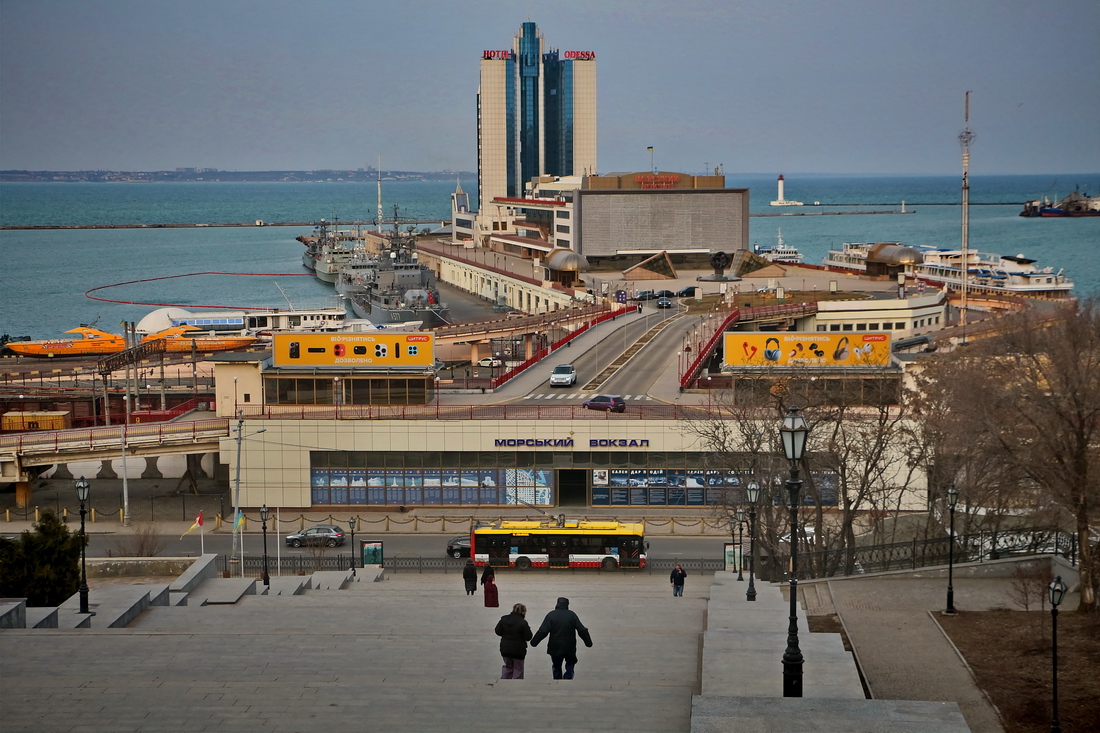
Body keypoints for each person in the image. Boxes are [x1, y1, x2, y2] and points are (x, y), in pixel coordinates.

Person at [530, 596, 593, 680]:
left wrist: (534, 642)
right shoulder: (572, 615)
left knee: (556, 665)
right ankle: (568, 677)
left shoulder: (551, 615)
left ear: (557, 604)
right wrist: (588, 642)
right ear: (567, 604)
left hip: (555, 646)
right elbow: (581, 629)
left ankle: (557, 680)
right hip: (569, 645)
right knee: (570, 663)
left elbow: (543, 631)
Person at [494, 603, 533, 679]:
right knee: (518, 669)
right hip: (518, 650)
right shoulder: (523, 623)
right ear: (523, 612)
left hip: (505, 648)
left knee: (508, 667)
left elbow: (497, 631)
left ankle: (504, 682)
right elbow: (528, 637)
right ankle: (516, 685)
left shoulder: (504, 619)